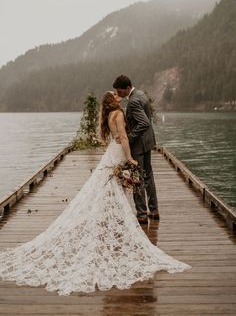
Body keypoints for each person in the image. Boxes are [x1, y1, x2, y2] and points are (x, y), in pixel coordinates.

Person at [0, 91, 191, 296]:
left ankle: (110, 217)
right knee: (110, 187)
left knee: (107, 186)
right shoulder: (118, 113)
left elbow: (115, 136)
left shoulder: (110, 115)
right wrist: (130, 158)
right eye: (115, 95)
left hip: (111, 151)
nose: (118, 95)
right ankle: (115, 218)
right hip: (118, 152)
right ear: (113, 100)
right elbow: (124, 137)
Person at [113, 75, 159, 224]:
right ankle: (154, 210)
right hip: (148, 142)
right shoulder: (141, 94)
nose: (118, 94)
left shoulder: (133, 102)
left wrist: (130, 137)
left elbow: (144, 122)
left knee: (137, 178)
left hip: (139, 145)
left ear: (127, 88)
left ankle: (141, 214)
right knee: (148, 176)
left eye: (119, 91)